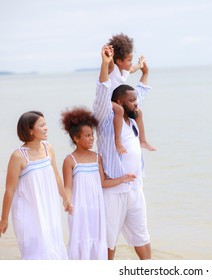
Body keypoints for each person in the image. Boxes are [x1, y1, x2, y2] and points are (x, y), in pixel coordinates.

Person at [93, 45, 152, 260]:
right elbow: (101, 93)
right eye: (131, 101)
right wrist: (104, 65)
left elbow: (140, 95)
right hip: (114, 191)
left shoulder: (132, 118)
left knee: (142, 236)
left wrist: (145, 73)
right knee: (109, 241)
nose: (136, 103)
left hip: (136, 188)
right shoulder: (106, 119)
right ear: (119, 102)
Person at [61, 106, 135, 260]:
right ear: (76, 138)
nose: (91, 139)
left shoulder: (97, 157)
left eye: (92, 135)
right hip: (79, 208)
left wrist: (123, 179)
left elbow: (102, 182)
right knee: (80, 240)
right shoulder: (70, 160)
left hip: (96, 207)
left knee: (97, 239)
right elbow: (67, 186)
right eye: (87, 136)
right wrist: (67, 201)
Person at [0, 111, 71, 259]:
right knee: (36, 252)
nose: (46, 128)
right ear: (30, 130)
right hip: (28, 213)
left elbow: (56, 175)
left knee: (53, 247)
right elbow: (10, 190)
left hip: (48, 208)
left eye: (45, 125)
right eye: (42, 125)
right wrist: (4, 219)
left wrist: (65, 199)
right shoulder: (18, 156)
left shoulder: (48, 148)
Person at [107, 33, 156, 154]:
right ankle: (118, 143)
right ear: (119, 60)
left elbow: (132, 69)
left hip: (118, 99)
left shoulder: (125, 70)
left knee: (138, 111)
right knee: (120, 110)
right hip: (108, 101)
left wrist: (140, 65)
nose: (131, 63)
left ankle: (143, 140)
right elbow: (109, 63)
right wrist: (108, 52)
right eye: (129, 60)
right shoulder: (112, 70)